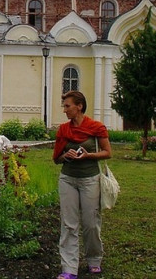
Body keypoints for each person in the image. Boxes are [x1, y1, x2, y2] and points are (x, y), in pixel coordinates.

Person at [52, 91, 112, 279]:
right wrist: (66, 156)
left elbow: (107, 152)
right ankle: (69, 269)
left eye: (67, 106)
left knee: (91, 223)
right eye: (64, 106)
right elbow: (56, 159)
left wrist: (88, 156)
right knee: (69, 224)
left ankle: (94, 260)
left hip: (90, 180)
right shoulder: (63, 129)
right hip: (68, 179)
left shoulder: (96, 127)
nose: (64, 110)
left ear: (79, 106)